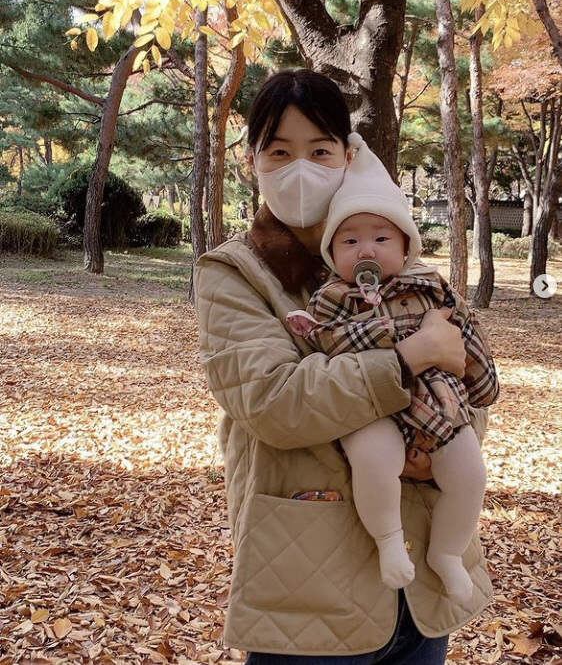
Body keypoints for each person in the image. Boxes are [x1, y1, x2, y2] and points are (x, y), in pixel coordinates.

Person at [194, 69, 492, 664]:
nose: (299, 167)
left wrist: (436, 449)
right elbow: (276, 403)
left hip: (422, 580)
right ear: (253, 160)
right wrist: (409, 358)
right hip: (309, 581)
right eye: (279, 151)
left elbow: (467, 381)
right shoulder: (236, 274)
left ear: (348, 155)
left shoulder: (400, 261)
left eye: (319, 150)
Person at [286, 135, 499, 607]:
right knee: (375, 460)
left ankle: (447, 552)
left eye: (381, 238)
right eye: (349, 240)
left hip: (439, 405)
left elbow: (466, 339)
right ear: (332, 254)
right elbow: (329, 344)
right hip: (373, 408)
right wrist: (400, 340)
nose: (366, 249)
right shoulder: (332, 299)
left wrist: (482, 387)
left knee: (470, 476)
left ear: (405, 247)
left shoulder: (434, 289)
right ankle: (388, 541)